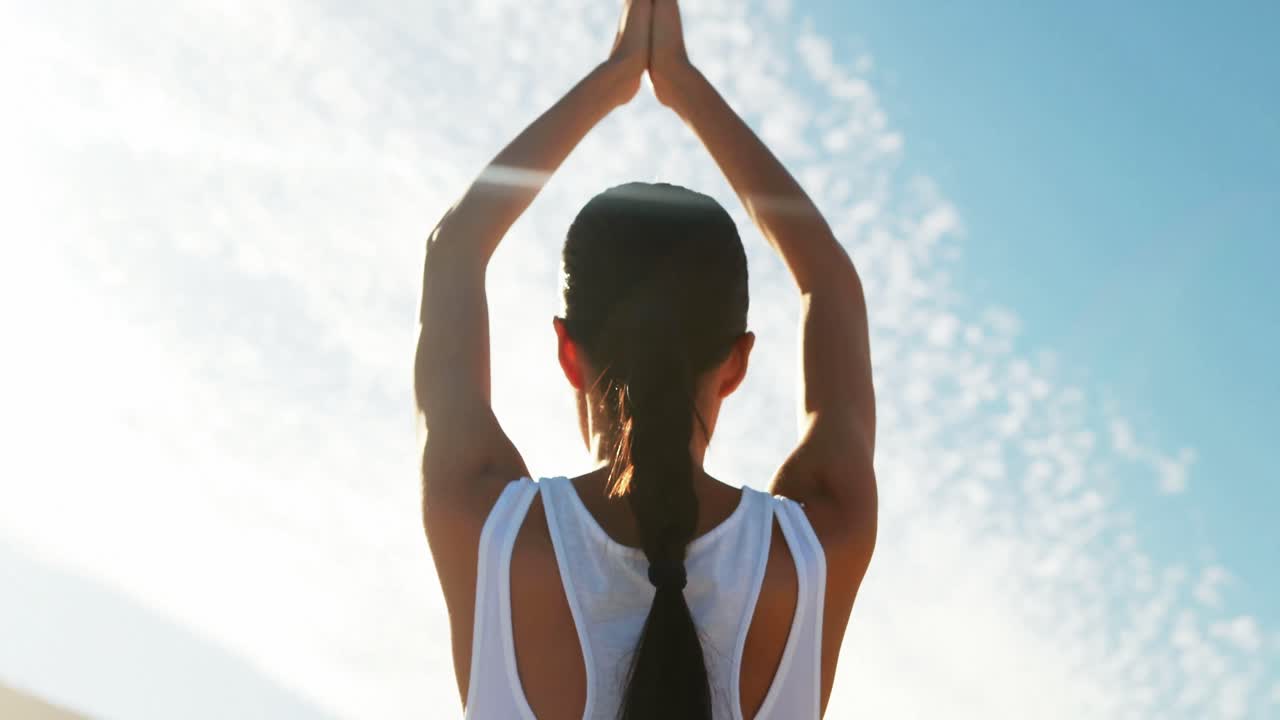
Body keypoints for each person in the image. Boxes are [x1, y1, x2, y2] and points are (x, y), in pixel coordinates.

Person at [415, 1, 877, 717]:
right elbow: (830, 282)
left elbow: (454, 252)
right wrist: (684, 87)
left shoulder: (487, 527)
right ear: (738, 361)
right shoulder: (816, 543)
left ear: (569, 351)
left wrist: (615, 77)